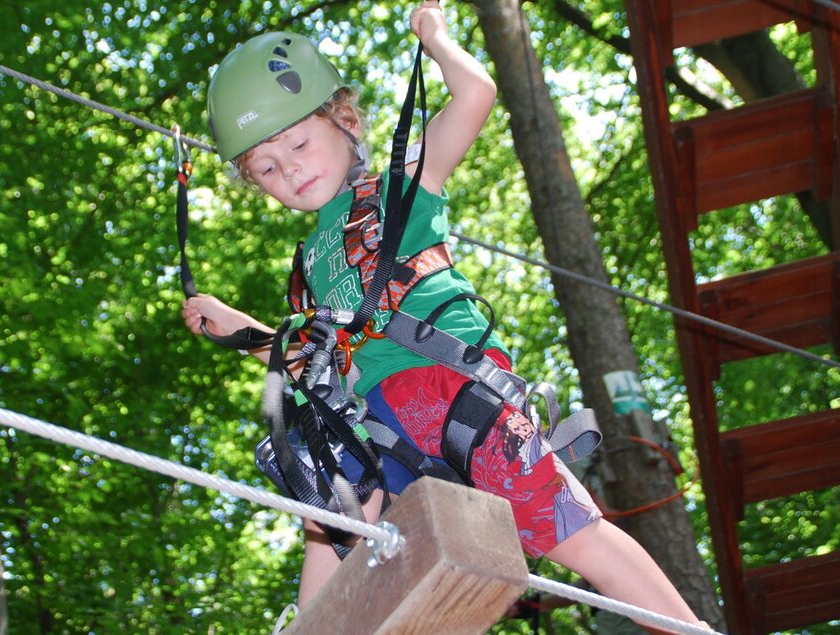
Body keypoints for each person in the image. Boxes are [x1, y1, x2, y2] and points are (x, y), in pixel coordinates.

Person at [182, 1, 705, 629]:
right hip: (377, 420)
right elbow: (310, 358)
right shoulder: (309, 262)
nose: (288, 167)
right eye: (265, 166)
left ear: (345, 122)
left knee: (567, 528)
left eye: (297, 142)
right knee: (325, 514)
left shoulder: (400, 183)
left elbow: (476, 95)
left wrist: (437, 40)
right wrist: (236, 326)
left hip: (447, 389)